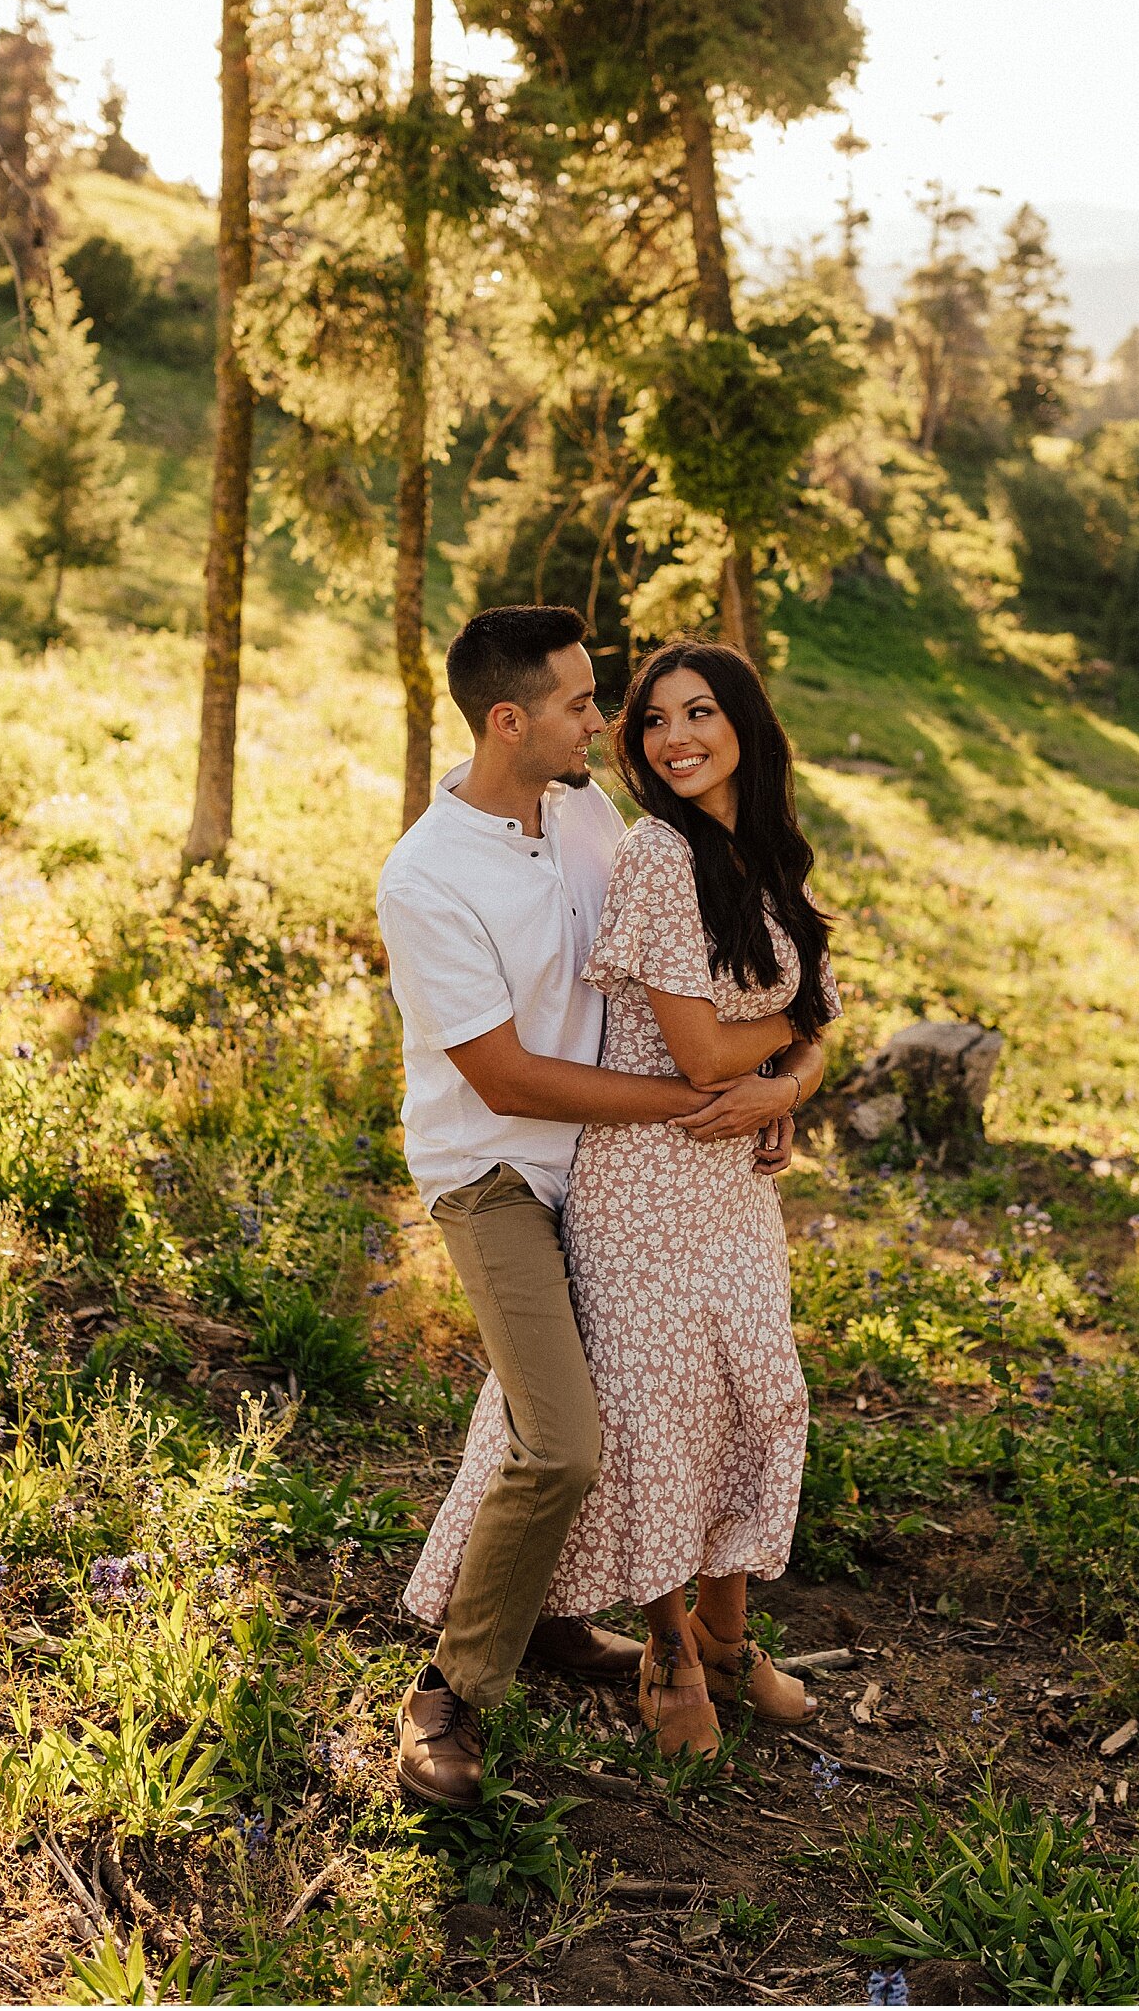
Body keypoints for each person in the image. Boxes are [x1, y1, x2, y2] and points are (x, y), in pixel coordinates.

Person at [376, 608, 790, 1809]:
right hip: (499, 1175)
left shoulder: (585, 816)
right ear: (511, 721)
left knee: (585, 1408)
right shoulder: (428, 876)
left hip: (612, 1178)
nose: (601, 721)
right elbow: (502, 1077)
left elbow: (681, 961)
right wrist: (694, 1092)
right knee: (561, 1437)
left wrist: (785, 1071)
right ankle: (447, 1693)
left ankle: (550, 1613)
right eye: (579, 702)